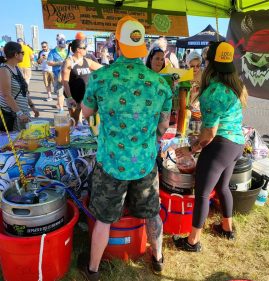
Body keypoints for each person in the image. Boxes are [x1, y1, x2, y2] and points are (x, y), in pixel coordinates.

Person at [79, 15, 172, 280]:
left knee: (105, 220)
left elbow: (85, 112)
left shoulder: (100, 78)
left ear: (118, 45)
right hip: (144, 162)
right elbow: (163, 127)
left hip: (111, 163)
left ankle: (93, 269)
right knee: (151, 214)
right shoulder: (159, 83)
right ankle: (158, 259)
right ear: (142, 46)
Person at [173, 41, 247, 251]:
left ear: (209, 64)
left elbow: (209, 134)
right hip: (236, 144)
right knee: (223, 187)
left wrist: (191, 149)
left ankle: (192, 241)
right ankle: (227, 228)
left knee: (202, 193)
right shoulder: (236, 85)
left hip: (220, 146)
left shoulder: (212, 92)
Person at [0, 41, 39, 131]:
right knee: (15, 143)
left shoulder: (17, 68)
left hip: (22, 113)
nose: (23, 55)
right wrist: (19, 113)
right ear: (16, 54)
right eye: (22, 53)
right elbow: (6, 95)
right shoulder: (4, 70)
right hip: (12, 115)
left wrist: (32, 106)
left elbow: (24, 90)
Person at [62, 39, 101, 125]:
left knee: (92, 121)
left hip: (85, 96)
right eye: (84, 48)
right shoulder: (68, 62)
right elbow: (65, 82)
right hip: (73, 97)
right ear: (78, 49)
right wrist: (69, 98)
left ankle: (93, 136)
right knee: (75, 122)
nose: (86, 50)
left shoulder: (87, 61)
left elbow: (103, 68)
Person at [47, 36, 68, 113]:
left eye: (63, 46)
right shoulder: (53, 52)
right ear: (57, 44)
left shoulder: (67, 51)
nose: (62, 48)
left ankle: (65, 105)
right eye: (60, 46)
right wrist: (59, 63)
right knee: (60, 92)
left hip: (67, 74)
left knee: (68, 92)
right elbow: (49, 62)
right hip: (57, 75)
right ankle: (61, 108)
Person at [186, 50, 202, 123]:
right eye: (192, 66)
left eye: (198, 66)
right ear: (188, 65)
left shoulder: (203, 74)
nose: (195, 68)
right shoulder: (184, 75)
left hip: (199, 109)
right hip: (187, 108)